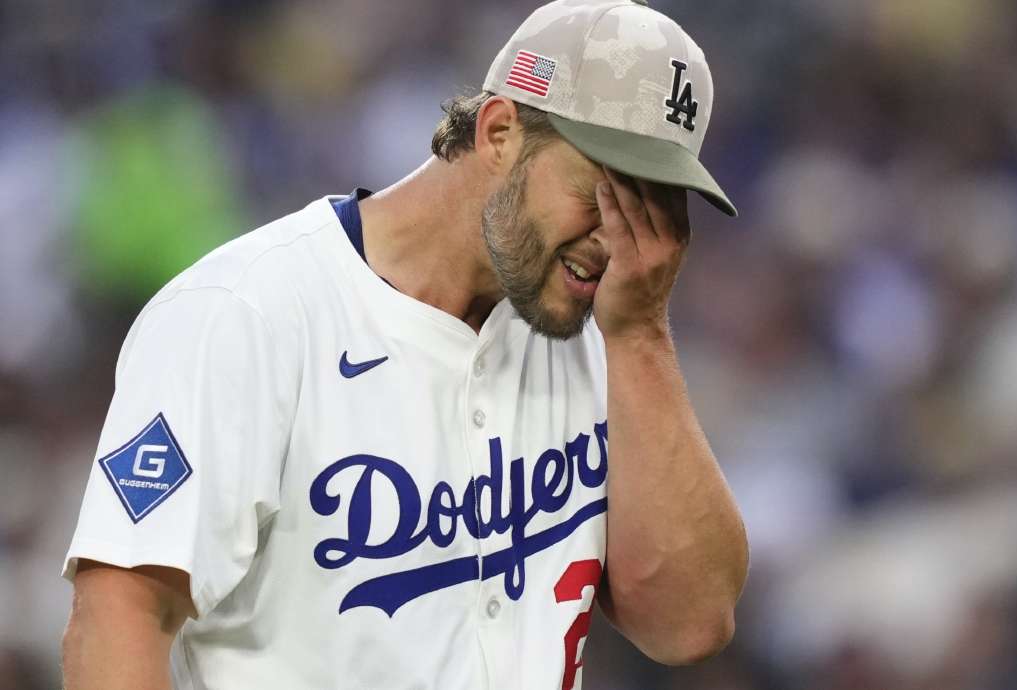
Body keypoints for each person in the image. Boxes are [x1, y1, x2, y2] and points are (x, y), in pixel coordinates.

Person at [60, 0, 749, 688]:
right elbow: (120, 614)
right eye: (605, 193)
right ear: (500, 132)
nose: (620, 238)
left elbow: (689, 624)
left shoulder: (607, 333)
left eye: (654, 206)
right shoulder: (247, 313)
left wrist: (641, 336)